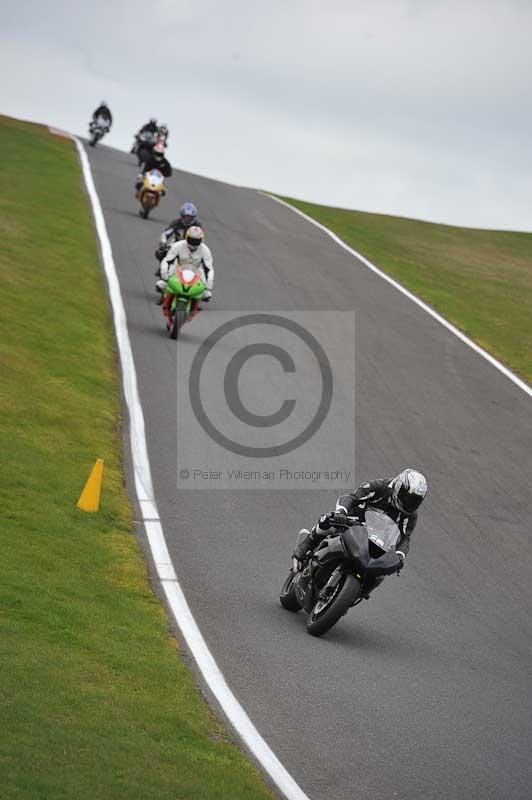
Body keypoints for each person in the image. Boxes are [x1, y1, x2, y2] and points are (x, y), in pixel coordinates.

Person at [293, 469, 428, 575]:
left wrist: (399, 556)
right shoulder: (379, 487)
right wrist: (341, 513)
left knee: (383, 569)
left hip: (378, 539)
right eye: (408, 497)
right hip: (354, 522)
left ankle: (360, 590)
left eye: (415, 501)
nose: (410, 503)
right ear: (399, 487)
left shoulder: (410, 515)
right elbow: (351, 498)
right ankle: (305, 546)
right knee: (328, 520)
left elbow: (405, 539)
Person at [157, 226, 214, 315]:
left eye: (196, 241)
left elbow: (209, 269)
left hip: (197, 271)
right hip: (178, 267)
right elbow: (167, 260)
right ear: (187, 237)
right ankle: (164, 296)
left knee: (207, 293)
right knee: (162, 283)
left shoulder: (205, 250)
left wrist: (208, 286)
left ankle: (196, 304)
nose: (193, 243)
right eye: (191, 240)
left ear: (201, 240)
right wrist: (164, 275)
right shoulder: (178, 245)